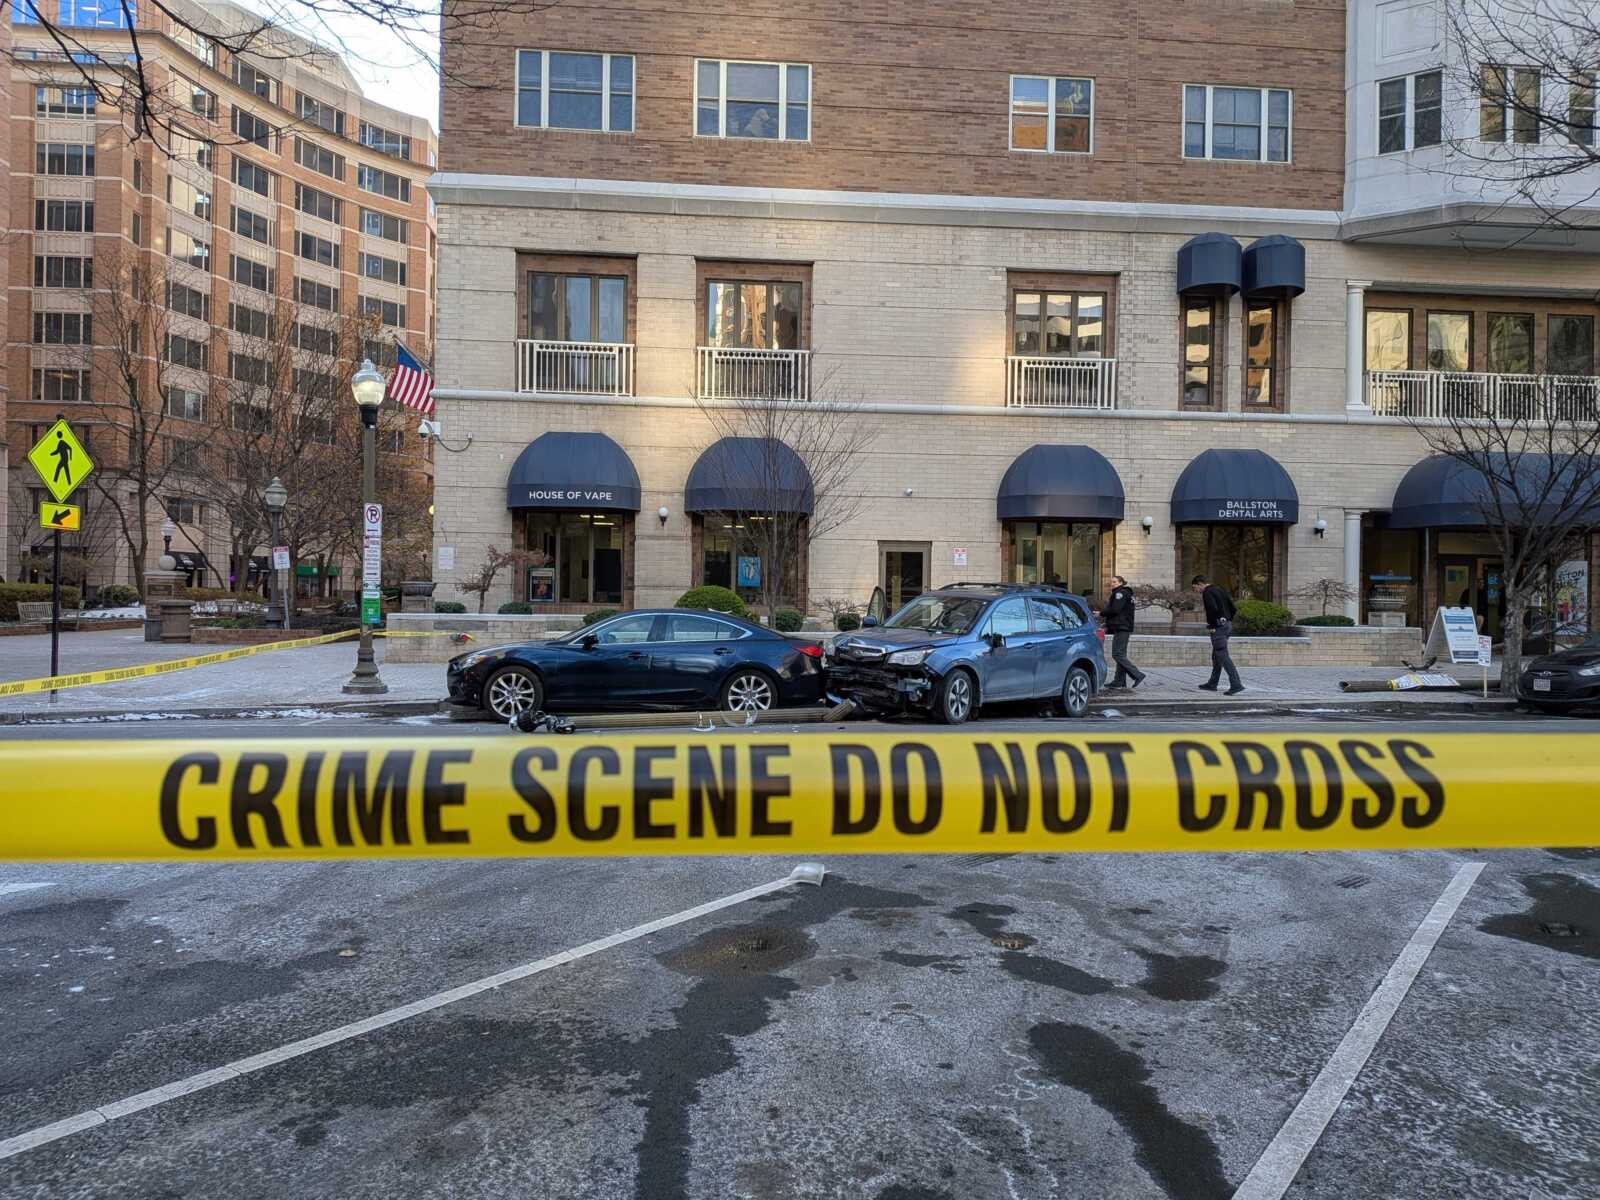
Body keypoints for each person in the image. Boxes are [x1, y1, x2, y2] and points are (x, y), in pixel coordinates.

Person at [1192, 574, 1243, 695]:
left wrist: (1212, 626)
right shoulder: (1220, 589)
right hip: (1227, 626)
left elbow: (1212, 609)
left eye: (1195, 588)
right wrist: (1227, 620)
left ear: (1200, 584)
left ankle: (1236, 684)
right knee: (1216, 656)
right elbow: (1233, 608)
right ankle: (1212, 683)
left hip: (1218, 628)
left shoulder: (1207, 592)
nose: (1196, 591)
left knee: (1222, 655)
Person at [1100, 574, 1144, 689]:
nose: (1112, 584)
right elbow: (1121, 612)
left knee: (1117, 654)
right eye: (1111, 582)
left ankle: (1137, 675)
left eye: (1114, 582)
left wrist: (1101, 613)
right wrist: (1108, 623)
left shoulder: (1119, 593)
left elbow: (1115, 610)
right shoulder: (1126, 593)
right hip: (1123, 626)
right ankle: (1119, 681)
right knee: (1121, 655)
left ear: (1121, 583)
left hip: (1122, 627)